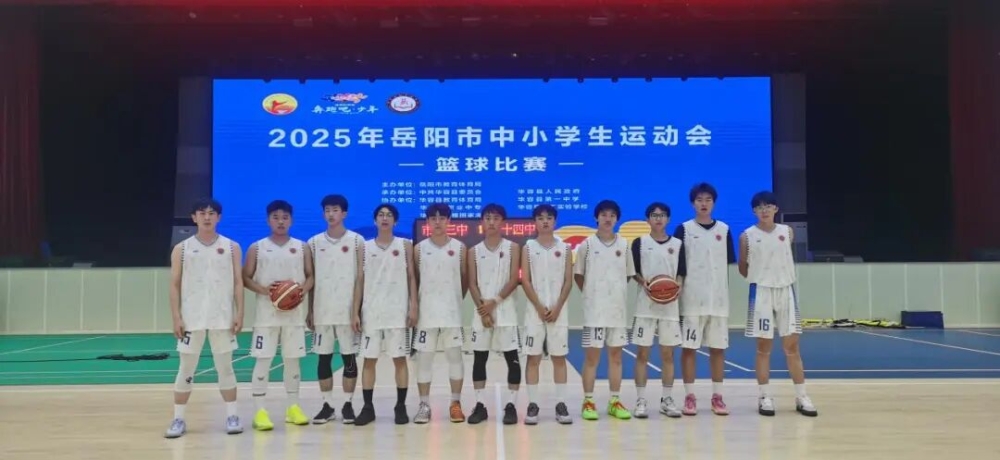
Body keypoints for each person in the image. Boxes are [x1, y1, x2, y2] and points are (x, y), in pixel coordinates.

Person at [165, 198, 245, 438]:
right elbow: (174, 284)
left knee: (225, 368)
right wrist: (176, 317)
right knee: (186, 368)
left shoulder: (232, 247)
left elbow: (238, 282)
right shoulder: (182, 249)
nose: (207, 217)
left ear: (219, 217)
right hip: (192, 318)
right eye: (202, 213)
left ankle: (232, 416)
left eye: (212, 213)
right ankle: (178, 419)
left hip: (222, 317)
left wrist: (240, 312)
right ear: (194, 217)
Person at [739, 191, 818, 417]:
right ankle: (764, 396)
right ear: (754, 211)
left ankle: (802, 396)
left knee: (792, 347)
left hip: (786, 290)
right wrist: (760, 277)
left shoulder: (787, 231)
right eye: (759, 207)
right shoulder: (746, 236)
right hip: (761, 292)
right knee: (763, 348)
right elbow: (743, 267)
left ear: (775, 208)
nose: (764, 210)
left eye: (768, 206)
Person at [242, 200, 314, 430]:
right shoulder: (257, 247)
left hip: (294, 315)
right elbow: (245, 277)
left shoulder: (302, 247)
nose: (280, 221)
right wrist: (265, 291)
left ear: (291, 220)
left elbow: (311, 276)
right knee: (263, 361)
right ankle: (259, 411)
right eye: (275, 217)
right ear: (268, 220)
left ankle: (293, 407)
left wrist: (300, 291)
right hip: (266, 315)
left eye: (285, 217)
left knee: (292, 362)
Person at [353, 204, 418, 426]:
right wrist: (355, 311)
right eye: (380, 215)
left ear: (395, 221)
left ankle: (400, 406)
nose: (384, 218)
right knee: (369, 361)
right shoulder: (364, 247)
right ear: (375, 220)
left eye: (389, 215)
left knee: (400, 360)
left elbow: (411, 277)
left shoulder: (405, 245)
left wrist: (413, 306)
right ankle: (367, 407)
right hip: (371, 312)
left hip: (397, 312)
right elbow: (360, 280)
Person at [673, 182, 735, 416]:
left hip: (718, 301)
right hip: (691, 301)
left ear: (714, 203)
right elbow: (678, 266)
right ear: (693, 203)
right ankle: (689, 396)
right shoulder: (684, 230)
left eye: (708, 199)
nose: (704, 204)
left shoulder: (724, 230)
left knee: (717, 349)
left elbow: (728, 262)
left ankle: (717, 397)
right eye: (699, 200)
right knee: (689, 349)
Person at [573, 199, 635, 421]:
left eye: (612, 215)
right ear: (596, 218)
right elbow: (578, 275)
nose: (608, 218)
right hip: (594, 313)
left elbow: (628, 274)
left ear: (617, 219)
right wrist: (593, 294)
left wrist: (614, 294)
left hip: (617, 312)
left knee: (616, 357)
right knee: (592, 358)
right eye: (604, 214)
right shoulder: (587, 245)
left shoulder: (624, 245)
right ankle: (588, 401)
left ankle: (614, 401)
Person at [307, 194, 365, 424]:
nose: (331, 214)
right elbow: (311, 279)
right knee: (323, 360)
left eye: (335, 210)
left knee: (349, 359)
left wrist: (356, 311)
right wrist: (310, 310)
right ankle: (327, 405)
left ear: (344, 213)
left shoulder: (357, 241)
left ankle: (348, 404)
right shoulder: (313, 242)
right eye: (327, 210)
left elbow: (360, 278)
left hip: (347, 313)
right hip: (322, 311)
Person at [412, 203, 468, 424]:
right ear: (427, 222)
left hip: (451, 314)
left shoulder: (460, 248)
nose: (438, 222)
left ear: (449, 221)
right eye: (433, 218)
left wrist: (454, 300)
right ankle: (424, 405)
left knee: (455, 358)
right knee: (424, 360)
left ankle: (455, 403)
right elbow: (415, 280)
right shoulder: (419, 249)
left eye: (442, 218)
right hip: (426, 314)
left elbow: (464, 279)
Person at [466, 204, 522, 425]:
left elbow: (514, 280)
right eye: (488, 218)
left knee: (512, 359)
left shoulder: (513, 247)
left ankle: (511, 405)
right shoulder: (473, 251)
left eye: (496, 218)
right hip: (482, 315)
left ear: (502, 222)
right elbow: (472, 283)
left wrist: (494, 302)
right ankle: (480, 405)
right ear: (482, 221)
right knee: (479, 359)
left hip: (506, 312)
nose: (491, 222)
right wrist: (483, 310)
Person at [629, 202, 684, 418]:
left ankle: (666, 399)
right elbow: (633, 271)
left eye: (662, 215)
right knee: (642, 354)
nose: (658, 218)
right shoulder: (639, 243)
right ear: (648, 219)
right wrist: (643, 282)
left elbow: (681, 272)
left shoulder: (678, 244)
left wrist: (677, 287)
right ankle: (641, 400)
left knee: (668, 355)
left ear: (668, 219)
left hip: (670, 307)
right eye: (654, 215)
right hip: (645, 306)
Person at [521, 204, 573, 425]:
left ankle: (561, 404)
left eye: (549, 218)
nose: (545, 221)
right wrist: (539, 306)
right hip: (534, 313)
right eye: (540, 218)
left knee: (558, 358)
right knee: (533, 358)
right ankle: (533, 404)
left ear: (555, 221)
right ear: (535, 222)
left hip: (559, 312)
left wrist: (558, 307)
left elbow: (568, 281)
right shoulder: (528, 247)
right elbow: (525, 280)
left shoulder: (565, 247)